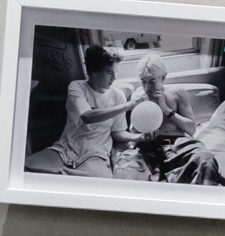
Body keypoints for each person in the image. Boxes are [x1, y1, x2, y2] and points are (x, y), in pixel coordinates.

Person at [24, 41, 140, 174]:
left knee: (98, 181)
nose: (114, 78)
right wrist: (128, 105)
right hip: (65, 149)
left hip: (96, 153)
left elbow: (117, 132)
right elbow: (87, 116)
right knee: (25, 168)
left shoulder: (118, 96)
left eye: (115, 72)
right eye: (109, 72)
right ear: (94, 71)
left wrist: (139, 137)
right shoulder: (77, 87)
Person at [163, 67, 225, 185]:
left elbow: (191, 129)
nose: (148, 87)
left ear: (162, 78)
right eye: (144, 81)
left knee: (206, 159)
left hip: (179, 141)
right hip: (154, 145)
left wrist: (167, 111)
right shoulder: (141, 98)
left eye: (152, 81)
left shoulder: (177, 94)